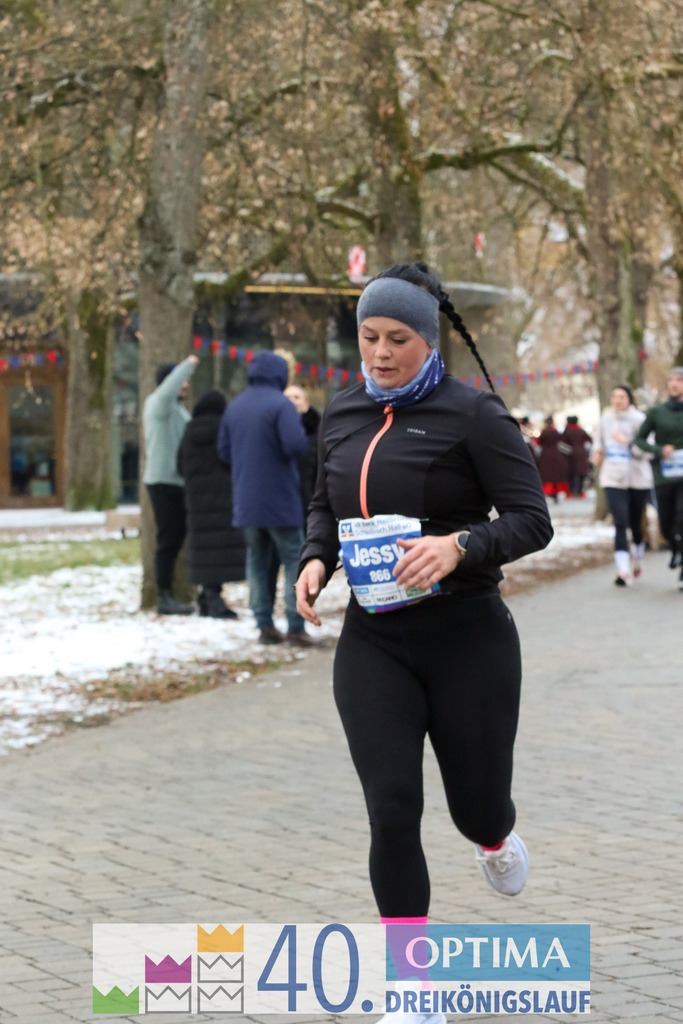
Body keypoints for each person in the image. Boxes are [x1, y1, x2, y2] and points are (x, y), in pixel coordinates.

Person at [295, 263, 553, 1022]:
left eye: (396, 339)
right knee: (391, 809)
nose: (378, 353)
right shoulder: (341, 412)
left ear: (427, 338)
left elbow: (532, 520)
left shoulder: (473, 415)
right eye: (368, 337)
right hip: (374, 641)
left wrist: (460, 546)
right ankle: (411, 986)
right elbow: (325, 503)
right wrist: (315, 558)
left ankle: (494, 837)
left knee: (474, 806)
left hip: (467, 638)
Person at [217, 351, 314, 645]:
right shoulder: (281, 405)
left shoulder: (235, 406)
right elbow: (296, 445)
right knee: (294, 560)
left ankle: (264, 625)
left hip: (246, 501)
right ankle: (296, 626)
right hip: (280, 500)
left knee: (256, 562)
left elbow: (222, 452)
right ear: (279, 374)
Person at [177, 390, 246, 618]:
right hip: (223, 498)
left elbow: (179, 467)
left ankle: (207, 597)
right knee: (218, 549)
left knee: (204, 547)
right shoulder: (223, 429)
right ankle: (214, 600)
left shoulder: (189, 431)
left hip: (196, 501)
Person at [143, 355, 199, 614]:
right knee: (168, 540)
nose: (185, 385)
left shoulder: (178, 410)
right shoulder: (158, 404)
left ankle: (171, 594)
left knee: (176, 539)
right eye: (181, 381)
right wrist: (188, 363)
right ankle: (163, 597)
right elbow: (169, 387)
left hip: (178, 483)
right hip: (162, 482)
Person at [592, 385, 654, 586]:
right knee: (620, 521)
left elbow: (649, 450)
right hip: (613, 477)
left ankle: (638, 556)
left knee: (635, 522)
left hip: (637, 477)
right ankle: (623, 571)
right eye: (614, 396)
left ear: (629, 399)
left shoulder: (640, 420)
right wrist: (598, 452)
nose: (617, 400)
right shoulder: (606, 419)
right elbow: (598, 441)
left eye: (622, 397)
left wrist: (628, 443)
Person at [633, 366, 683, 590]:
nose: (674, 384)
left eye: (679, 380)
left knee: (682, 515)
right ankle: (675, 548)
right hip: (664, 475)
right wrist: (659, 449)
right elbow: (639, 440)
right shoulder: (657, 412)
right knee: (665, 522)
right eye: (672, 380)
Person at [284, 384, 321, 513]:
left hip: (308, 505)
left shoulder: (318, 435)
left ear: (306, 405)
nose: (291, 400)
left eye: (296, 397)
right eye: (287, 397)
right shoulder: (272, 433)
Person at [536, 415, 570, 502]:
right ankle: (555, 492)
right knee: (556, 474)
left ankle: (550, 492)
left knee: (547, 474)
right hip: (556, 455)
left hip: (545, 456)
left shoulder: (543, 433)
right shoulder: (555, 432)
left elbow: (539, 442)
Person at [561, 415, 592, 498]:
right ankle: (580, 491)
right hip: (581, 454)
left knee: (571, 474)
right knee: (581, 473)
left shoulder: (567, 431)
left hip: (570, 456)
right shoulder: (581, 430)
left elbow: (562, 444)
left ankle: (571, 491)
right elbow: (589, 440)